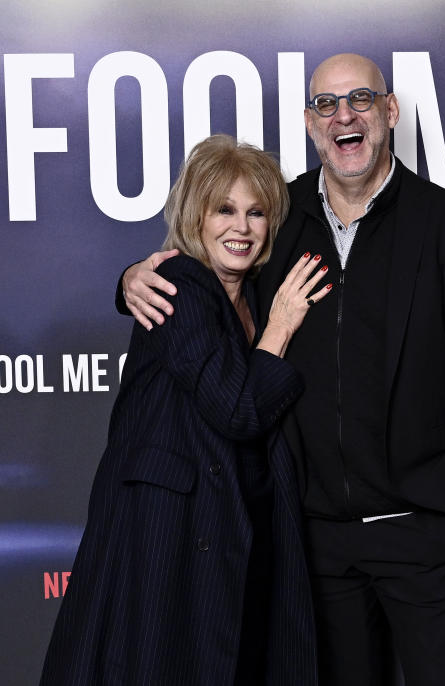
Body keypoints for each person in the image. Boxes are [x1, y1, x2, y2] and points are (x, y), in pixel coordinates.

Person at [119, 54, 445, 686]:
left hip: (422, 531)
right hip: (313, 541)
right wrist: (132, 277)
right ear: (308, 121)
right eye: (326, 104)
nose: (343, 115)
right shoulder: (279, 215)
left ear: (389, 111)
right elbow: (208, 272)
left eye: (359, 99)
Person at [40, 134, 328, 685]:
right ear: (196, 215)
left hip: (235, 537)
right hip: (170, 541)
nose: (240, 227)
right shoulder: (182, 283)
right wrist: (281, 329)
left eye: (256, 212)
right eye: (224, 209)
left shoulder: (256, 293)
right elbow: (238, 409)